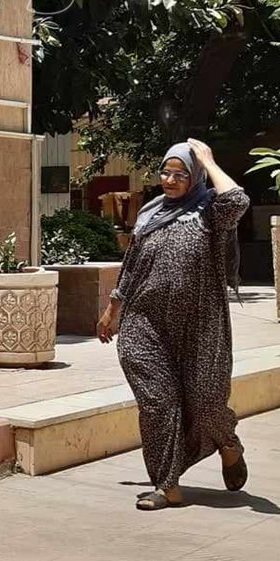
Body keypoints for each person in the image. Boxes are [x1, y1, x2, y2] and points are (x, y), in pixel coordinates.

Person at [97, 139, 250, 511]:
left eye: (180, 174)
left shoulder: (211, 212)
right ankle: (167, 486)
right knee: (156, 402)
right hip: (145, 322)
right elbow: (132, 265)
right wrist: (113, 308)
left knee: (207, 402)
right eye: (165, 172)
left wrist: (208, 160)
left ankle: (228, 443)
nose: (169, 180)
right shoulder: (151, 214)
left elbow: (237, 200)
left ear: (195, 176)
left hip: (200, 325)